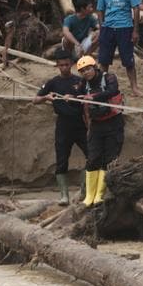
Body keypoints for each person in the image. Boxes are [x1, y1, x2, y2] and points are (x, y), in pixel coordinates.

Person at [32, 49, 87, 203]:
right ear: (57, 65)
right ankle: (64, 195)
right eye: (61, 65)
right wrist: (46, 97)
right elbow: (35, 100)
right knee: (62, 160)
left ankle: (83, 189)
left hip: (80, 124)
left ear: (72, 64)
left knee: (93, 156)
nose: (64, 67)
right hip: (63, 125)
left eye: (67, 64)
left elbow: (87, 99)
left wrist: (75, 98)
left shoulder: (80, 81)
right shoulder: (52, 83)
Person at [76, 55, 124, 207]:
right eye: (83, 71)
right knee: (93, 158)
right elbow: (80, 95)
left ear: (94, 67)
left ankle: (100, 195)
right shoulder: (84, 83)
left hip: (113, 123)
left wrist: (94, 97)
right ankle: (89, 195)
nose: (86, 73)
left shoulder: (109, 77)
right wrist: (71, 97)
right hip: (96, 125)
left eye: (88, 69)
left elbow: (113, 91)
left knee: (109, 159)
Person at [94, 0, 142, 95]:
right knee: (103, 60)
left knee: (128, 61)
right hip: (108, 28)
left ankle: (134, 88)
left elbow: (136, 8)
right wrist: (101, 26)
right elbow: (100, 9)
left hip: (125, 27)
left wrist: (135, 30)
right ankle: (101, 86)